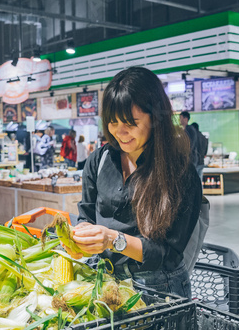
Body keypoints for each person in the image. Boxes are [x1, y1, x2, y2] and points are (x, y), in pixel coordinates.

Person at [63, 66, 202, 299]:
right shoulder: (100, 159)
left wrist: (111, 239)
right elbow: (86, 214)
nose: (121, 132)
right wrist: (82, 237)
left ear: (155, 118)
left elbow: (168, 254)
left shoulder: (179, 173)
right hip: (105, 280)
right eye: (113, 122)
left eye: (131, 122)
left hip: (158, 289)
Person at [179, 111, 200, 179]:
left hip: (190, 160)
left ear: (185, 119)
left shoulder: (190, 129)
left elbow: (190, 146)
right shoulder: (185, 130)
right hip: (188, 160)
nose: (180, 120)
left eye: (181, 118)